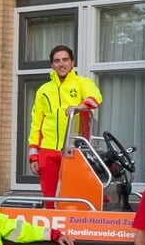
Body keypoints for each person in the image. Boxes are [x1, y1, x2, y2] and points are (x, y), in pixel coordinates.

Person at [25, 45, 103, 202]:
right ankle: (52, 226)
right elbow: (36, 124)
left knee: (73, 195)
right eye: (57, 61)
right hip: (47, 151)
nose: (61, 64)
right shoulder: (43, 90)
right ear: (52, 65)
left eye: (65, 60)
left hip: (72, 148)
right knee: (49, 197)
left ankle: (72, 226)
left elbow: (95, 98)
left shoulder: (82, 82)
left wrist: (79, 107)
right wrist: (34, 155)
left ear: (72, 62)